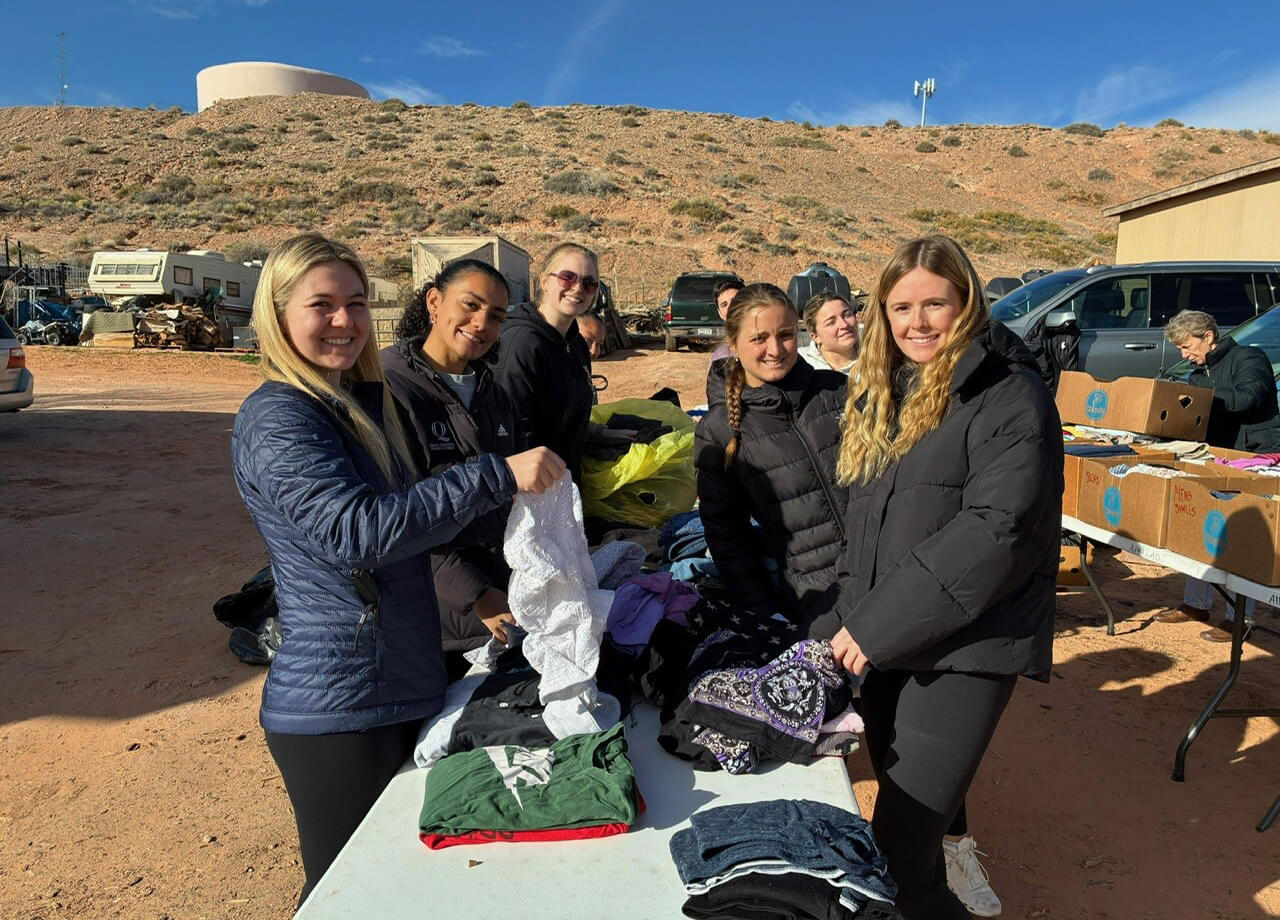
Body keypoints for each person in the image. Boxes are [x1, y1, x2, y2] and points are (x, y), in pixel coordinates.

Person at [231, 234, 564, 904]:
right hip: (340, 707)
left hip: (393, 683)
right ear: (276, 311)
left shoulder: (349, 406)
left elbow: (419, 518)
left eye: (356, 304)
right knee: (344, 895)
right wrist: (494, 474)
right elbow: (358, 533)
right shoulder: (279, 418)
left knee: (399, 886)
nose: (344, 321)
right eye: (320, 304)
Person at [812, 235, 1061, 919]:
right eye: (900, 308)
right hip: (892, 645)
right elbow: (862, 530)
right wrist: (837, 624)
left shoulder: (1011, 396)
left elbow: (997, 532)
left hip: (966, 652)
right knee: (905, 854)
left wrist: (874, 623)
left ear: (967, 302)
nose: (916, 323)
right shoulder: (889, 394)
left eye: (934, 304)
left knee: (899, 849)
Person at [381, 260, 524, 682]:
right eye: (471, 305)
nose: (481, 323)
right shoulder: (391, 387)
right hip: (437, 620)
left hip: (500, 607)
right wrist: (476, 595)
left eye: (496, 316)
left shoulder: (494, 393)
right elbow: (398, 519)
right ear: (434, 301)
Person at [694, 283, 849, 625]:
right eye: (759, 338)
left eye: (786, 334)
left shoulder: (838, 392)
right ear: (733, 345)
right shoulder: (720, 431)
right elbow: (727, 537)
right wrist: (765, 612)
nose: (775, 349)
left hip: (889, 578)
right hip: (819, 604)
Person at [1153, 309, 1276, 641]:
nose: (1184, 354)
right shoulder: (1196, 374)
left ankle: (1239, 619)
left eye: (1187, 346)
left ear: (1208, 335)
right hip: (1216, 458)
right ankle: (1196, 603)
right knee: (1201, 524)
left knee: (1243, 535)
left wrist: (1199, 399)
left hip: (1256, 457)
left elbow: (1248, 398)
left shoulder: (1250, 358)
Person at [491, 242, 598, 481]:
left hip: (564, 485)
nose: (578, 288)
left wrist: (598, 433)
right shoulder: (521, 343)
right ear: (544, 281)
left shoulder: (576, 344)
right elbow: (510, 433)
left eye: (589, 283)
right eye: (567, 277)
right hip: (533, 493)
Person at [798, 291, 860, 374]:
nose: (844, 325)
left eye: (847, 315)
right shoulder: (799, 363)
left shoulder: (876, 357)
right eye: (831, 322)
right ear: (815, 336)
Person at [708, 277, 744, 362]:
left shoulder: (767, 344)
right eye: (724, 305)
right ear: (720, 313)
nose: (730, 307)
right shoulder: (719, 357)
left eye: (735, 301)